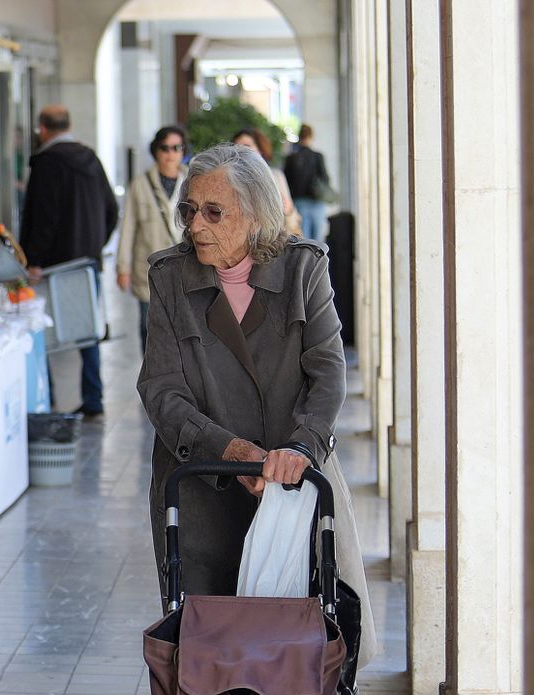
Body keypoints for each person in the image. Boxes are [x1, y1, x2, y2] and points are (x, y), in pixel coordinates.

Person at [137, 143, 366, 616]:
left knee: (298, 631)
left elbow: (328, 369)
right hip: (202, 482)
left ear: (255, 213)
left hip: (291, 482)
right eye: (189, 209)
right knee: (207, 635)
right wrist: (229, 450)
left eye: (213, 211)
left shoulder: (304, 268)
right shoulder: (170, 277)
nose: (196, 224)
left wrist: (302, 447)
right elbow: (162, 389)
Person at [20, 105, 119, 417]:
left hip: (53, 266)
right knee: (87, 330)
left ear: (43, 129)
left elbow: (43, 218)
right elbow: (111, 210)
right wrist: (93, 246)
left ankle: (48, 397)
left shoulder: (47, 164)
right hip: (86, 262)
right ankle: (94, 398)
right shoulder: (90, 159)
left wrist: (33, 259)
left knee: (46, 333)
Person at [116, 125, 188, 352]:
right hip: (149, 270)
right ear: (156, 151)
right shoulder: (140, 185)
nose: (170, 154)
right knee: (149, 329)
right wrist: (122, 267)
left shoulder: (192, 181)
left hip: (185, 269)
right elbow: (128, 227)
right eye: (165, 148)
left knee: (183, 328)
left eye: (176, 148)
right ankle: (151, 378)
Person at [231, 128, 302, 237]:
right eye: (236, 148)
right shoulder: (230, 180)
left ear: (261, 150)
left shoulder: (275, 176)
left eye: (247, 146)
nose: (241, 152)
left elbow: (292, 219)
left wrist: (289, 211)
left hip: (275, 243)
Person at [283, 124, 333, 243]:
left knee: (303, 240)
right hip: (316, 202)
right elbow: (325, 179)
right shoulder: (317, 157)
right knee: (318, 241)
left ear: (300, 137)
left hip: (299, 202)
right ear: (311, 137)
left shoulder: (291, 158)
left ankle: (305, 262)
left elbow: (286, 181)